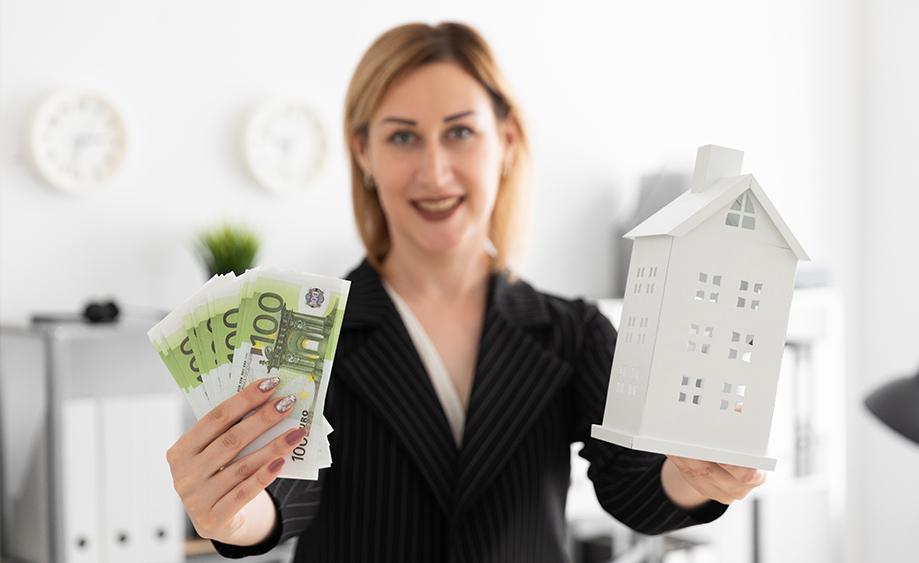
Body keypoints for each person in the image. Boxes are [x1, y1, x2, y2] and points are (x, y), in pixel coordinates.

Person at [164, 21, 766, 562]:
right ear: (362, 152)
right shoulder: (306, 330)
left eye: (459, 133)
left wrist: (694, 476)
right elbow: (285, 489)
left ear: (505, 143)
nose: (434, 172)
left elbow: (634, 484)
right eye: (403, 137)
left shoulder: (572, 333)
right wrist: (234, 513)